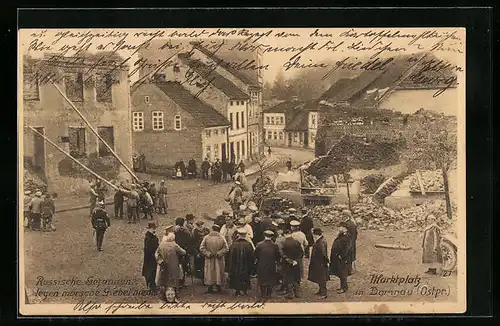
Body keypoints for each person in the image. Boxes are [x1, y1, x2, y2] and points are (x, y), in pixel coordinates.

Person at [155, 232, 186, 302]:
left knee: (164, 280)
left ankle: (165, 295)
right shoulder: (174, 245)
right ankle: (173, 295)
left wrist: (160, 261)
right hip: (173, 266)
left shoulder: (161, 245)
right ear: (173, 239)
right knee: (173, 282)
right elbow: (183, 252)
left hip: (164, 266)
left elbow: (157, 254)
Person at [199, 224, 229, 293]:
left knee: (209, 273)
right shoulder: (222, 238)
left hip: (209, 259)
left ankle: (210, 287)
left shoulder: (206, 237)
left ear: (212, 229)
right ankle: (219, 287)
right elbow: (226, 248)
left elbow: (201, 248)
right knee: (219, 272)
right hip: (219, 258)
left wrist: (208, 253)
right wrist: (219, 253)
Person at [227, 229, 255, 296]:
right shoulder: (248, 245)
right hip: (246, 266)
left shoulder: (234, 245)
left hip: (235, 266)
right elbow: (251, 257)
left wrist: (230, 266)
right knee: (245, 277)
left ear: (238, 235)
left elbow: (230, 256)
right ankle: (245, 290)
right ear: (245, 235)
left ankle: (237, 291)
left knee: (236, 277)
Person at [254, 230, 281, 299]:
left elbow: (255, 254)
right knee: (270, 278)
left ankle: (263, 293)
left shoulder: (259, 244)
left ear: (264, 235)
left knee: (262, 278)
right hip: (271, 264)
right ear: (272, 237)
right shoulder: (275, 245)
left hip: (261, 263)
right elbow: (278, 256)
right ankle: (269, 294)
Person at [329, 222, 352, 293]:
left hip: (343, 258)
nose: (339, 229)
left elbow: (347, 248)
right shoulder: (341, 235)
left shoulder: (347, 236)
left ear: (344, 228)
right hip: (338, 257)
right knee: (340, 272)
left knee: (343, 273)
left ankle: (344, 288)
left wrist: (342, 256)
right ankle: (342, 286)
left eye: (340, 227)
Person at [281, 228, 304, 299]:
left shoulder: (283, 243)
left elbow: (282, 254)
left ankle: (290, 294)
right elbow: (301, 253)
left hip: (287, 263)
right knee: (296, 278)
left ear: (285, 234)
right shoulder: (297, 242)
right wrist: (296, 260)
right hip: (296, 263)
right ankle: (297, 293)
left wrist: (289, 260)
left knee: (288, 278)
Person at [308, 228, 330, 299]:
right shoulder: (321, 240)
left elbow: (323, 254)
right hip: (319, 263)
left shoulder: (320, 243)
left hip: (320, 263)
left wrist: (325, 261)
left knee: (321, 279)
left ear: (316, 235)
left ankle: (324, 293)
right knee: (320, 277)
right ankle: (321, 291)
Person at [174, 217, 196, 288]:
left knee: (176, 266)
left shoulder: (174, 232)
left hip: (176, 252)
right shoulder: (186, 232)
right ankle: (182, 282)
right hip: (184, 252)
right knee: (183, 267)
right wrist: (189, 251)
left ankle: (177, 281)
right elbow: (190, 242)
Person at [142, 222, 159, 293]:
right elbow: (153, 246)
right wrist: (155, 239)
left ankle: (151, 285)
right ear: (149, 229)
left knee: (151, 271)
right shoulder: (149, 237)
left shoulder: (149, 236)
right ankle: (151, 287)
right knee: (151, 272)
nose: (154, 230)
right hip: (150, 257)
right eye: (153, 229)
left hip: (150, 257)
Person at [343, 210, 358, 275]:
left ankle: (348, 270)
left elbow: (344, 234)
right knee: (351, 255)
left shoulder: (346, 224)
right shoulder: (353, 223)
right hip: (353, 241)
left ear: (346, 216)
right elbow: (356, 233)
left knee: (347, 255)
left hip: (347, 242)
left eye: (343, 215)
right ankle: (351, 269)